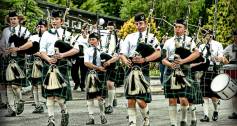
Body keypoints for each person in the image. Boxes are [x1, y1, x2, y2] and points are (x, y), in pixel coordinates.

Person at [120, 12, 160, 126]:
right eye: (137, 24)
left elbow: (158, 53)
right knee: (130, 99)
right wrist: (125, 60)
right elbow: (122, 53)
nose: (139, 26)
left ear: (146, 23)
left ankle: (146, 119)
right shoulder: (129, 37)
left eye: (141, 23)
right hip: (131, 68)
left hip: (144, 68)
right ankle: (132, 123)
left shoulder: (152, 38)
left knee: (140, 100)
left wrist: (145, 59)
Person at [162, 19, 200, 126]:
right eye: (176, 27)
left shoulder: (189, 41)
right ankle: (173, 124)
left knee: (184, 99)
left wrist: (183, 61)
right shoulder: (168, 42)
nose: (177, 29)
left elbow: (197, 54)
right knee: (172, 99)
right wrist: (169, 64)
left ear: (184, 29)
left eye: (180, 27)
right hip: (171, 70)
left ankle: (183, 120)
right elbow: (162, 58)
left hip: (184, 69)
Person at [40, 10, 74, 126]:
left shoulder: (67, 34)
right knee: (50, 95)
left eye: (57, 19)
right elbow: (42, 50)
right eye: (52, 19)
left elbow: (76, 50)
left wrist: (63, 55)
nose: (54, 21)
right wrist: (48, 59)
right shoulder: (45, 34)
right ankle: (51, 119)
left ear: (61, 21)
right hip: (48, 63)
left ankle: (64, 111)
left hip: (61, 63)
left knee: (59, 97)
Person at [8, 19, 48, 113]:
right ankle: (37, 105)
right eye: (38, 26)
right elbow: (28, 45)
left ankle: (41, 104)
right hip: (33, 61)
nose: (39, 28)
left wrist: (41, 54)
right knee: (34, 84)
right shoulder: (33, 36)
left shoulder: (49, 37)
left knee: (40, 84)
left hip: (43, 61)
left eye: (41, 27)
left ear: (46, 28)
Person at [1, 11, 30, 117]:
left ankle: (20, 100)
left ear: (19, 19)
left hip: (19, 58)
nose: (12, 21)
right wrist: (4, 51)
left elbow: (29, 44)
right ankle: (12, 109)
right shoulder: (5, 31)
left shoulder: (25, 30)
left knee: (15, 85)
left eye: (14, 19)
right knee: (8, 85)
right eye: (11, 19)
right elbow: (2, 44)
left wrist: (18, 49)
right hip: (7, 58)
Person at [199, 29, 224, 122]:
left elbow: (221, 58)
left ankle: (216, 111)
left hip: (214, 70)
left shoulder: (218, 44)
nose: (206, 36)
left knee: (214, 97)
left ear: (211, 35)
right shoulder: (201, 46)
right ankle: (206, 116)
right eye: (204, 35)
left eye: (208, 34)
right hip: (205, 71)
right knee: (204, 95)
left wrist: (216, 58)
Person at [84, 32, 107, 125]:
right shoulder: (87, 50)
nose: (91, 41)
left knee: (100, 97)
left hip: (101, 74)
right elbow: (86, 63)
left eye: (93, 39)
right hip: (90, 73)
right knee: (90, 97)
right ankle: (91, 117)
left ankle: (102, 115)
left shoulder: (104, 49)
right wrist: (97, 67)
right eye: (90, 39)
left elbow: (113, 58)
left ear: (98, 41)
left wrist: (108, 63)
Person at [100, 21, 120, 114]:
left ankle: (110, 105)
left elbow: (119, 54)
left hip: (113, 61)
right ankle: (113, 96)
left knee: (110, 84)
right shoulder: (101, 37)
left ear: (114, 28)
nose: (109, 30)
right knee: (103, 85)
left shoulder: (118, 39)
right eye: (108, 28)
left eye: (111, 28)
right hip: (102, 61)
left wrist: (110, 61)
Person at [223, 29, 237, 119]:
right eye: (235, 37)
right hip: (233, 71)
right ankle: (235, 112)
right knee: (234, 92)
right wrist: (225, 60)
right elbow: (221, 54)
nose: (236, 38)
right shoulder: (229, 47)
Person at [71, 23, 89, 91]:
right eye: (84, 29)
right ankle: (76, 82)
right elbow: (72, 44)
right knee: (74, 71)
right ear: (82, 30)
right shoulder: (77, 36)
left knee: (83, 72)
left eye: (87, 29)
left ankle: (82, 85)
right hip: (76, 56)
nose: (85, 31)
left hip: (84, 56)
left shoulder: (89, 37)